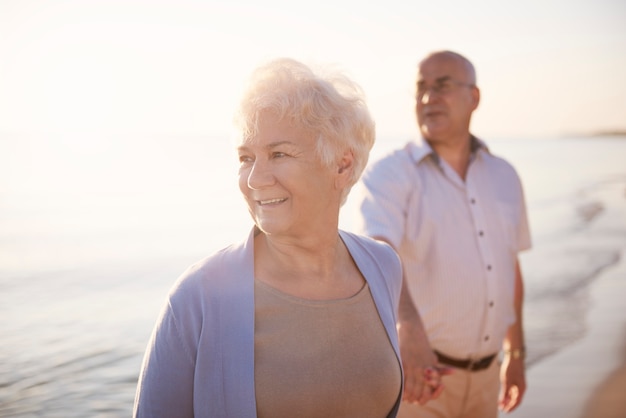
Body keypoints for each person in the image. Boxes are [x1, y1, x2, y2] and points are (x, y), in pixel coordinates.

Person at [133, 57, 413, 418]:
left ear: (342, 166)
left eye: (278, 154)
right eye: (246, 158)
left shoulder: (383, 266)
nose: (255, 179)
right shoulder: (197, 296)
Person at [354, 50, 531, 418]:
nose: (427, 98)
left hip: (487, 381)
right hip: (421, 381)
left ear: (474, 98)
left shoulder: (505, 176)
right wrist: (408, 328)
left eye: (443, 86)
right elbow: (377, 252)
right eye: (421, 88)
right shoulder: (390, 174)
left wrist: (515, 353)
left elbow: (508, 266)